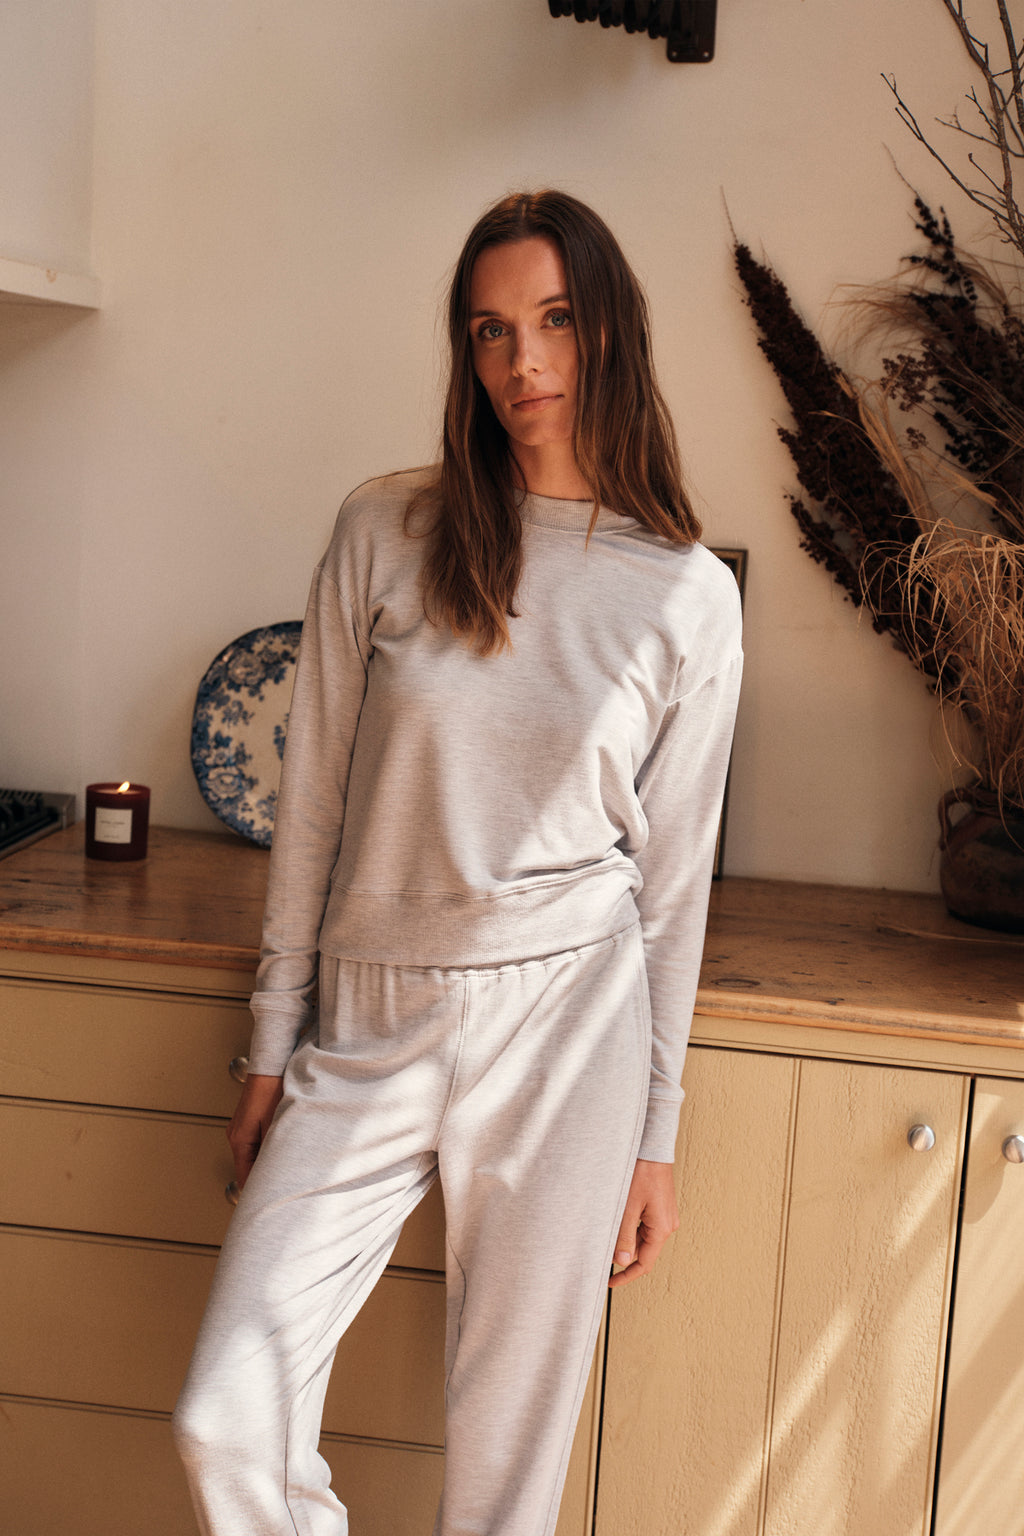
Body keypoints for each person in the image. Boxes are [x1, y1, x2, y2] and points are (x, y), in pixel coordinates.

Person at [172, 189, 743, 1536]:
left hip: (570, 1027)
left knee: (503, 1484)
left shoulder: (683, 590)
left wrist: (654, 1136)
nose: (523, 364)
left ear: (611, 332)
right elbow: (310, 803)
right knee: (222, 1418)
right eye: (490, 333)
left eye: (553, 322)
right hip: (369, 1015)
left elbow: (674, 889)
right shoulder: (386, 529)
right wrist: (271, 1046)